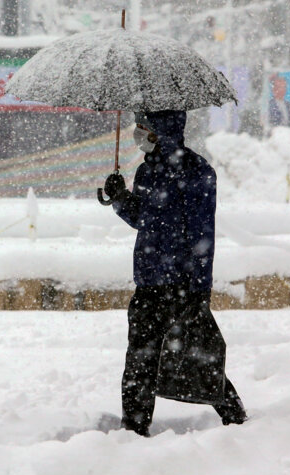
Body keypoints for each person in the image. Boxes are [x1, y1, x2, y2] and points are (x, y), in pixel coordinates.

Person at [103, 110, 247, 437]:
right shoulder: (146, 170)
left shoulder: (198, 172)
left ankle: (235, 418)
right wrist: (120, 198)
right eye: (137, 126)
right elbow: (144, 219)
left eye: (143, 127)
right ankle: (134, 428)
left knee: (195, 353)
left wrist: (199, 290)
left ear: (160, 130)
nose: (137, 134)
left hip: (182, 285)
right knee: (140, 359)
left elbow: (201, 235)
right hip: (149, 281)